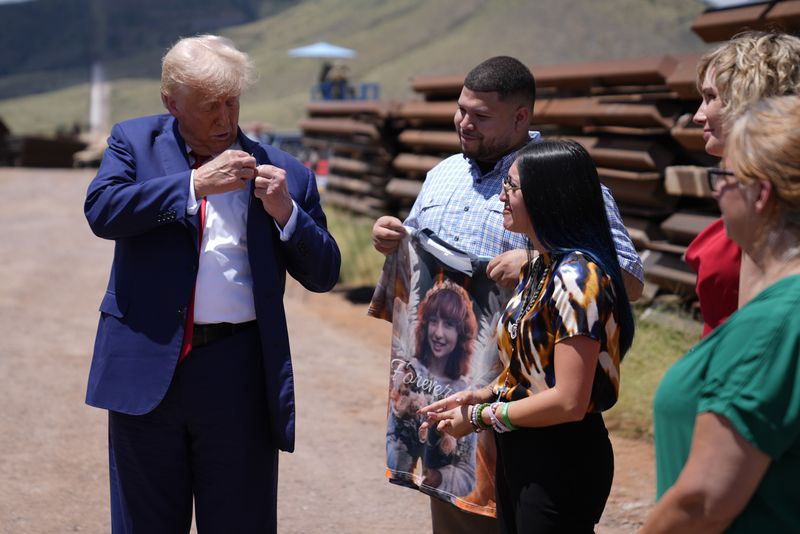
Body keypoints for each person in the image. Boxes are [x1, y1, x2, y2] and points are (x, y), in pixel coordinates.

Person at [372, 55, 643, 532]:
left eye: (480, 115)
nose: (464, 122)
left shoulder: (562, 180)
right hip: (452, 395)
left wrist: (541, 262)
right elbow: (416, 266)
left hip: (526, 406)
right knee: (451, 516)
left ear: (521, 117)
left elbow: (627, 282)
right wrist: (393, 240)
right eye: (461, 109)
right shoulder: (442, 175)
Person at [83, 35, 340, 533]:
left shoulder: (285, 172)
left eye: (232, 102)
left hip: (238, 372)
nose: (225, 119)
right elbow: (102, 211)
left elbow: (325, 272)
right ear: (170, 103)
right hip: (149, 365)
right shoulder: (134, 143)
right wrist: (193, 185)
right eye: (209, 107)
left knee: (241, 520)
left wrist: (286, 212)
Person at [421, 139, 635, 533]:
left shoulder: (577, 277)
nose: (501, 196)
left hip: (560, 458)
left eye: (512, 187)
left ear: (547, 198)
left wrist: (480, 417)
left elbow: (569, 400)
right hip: (523, 448)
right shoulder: (541, 266)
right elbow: (533, 371)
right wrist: (481, 394)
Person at [643, 96, 800, 533]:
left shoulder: (774, 324)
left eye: (724, 177)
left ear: (760, 193)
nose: (716, 190)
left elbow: (702, 502)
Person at [685, 31, 800, 336]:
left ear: (749, 98)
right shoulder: (742, 186)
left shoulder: (766, 200)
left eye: (711, 97)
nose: (698, 116)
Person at [387, 281, 479, 497]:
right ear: (424, 324)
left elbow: (468, 475)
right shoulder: (409, 373)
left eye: (448, 324)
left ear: (461, 334)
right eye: (433, 321)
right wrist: (402, 455)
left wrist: (440, 478)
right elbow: (392, 438)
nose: (438, 333)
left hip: (445, 500)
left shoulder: (465, 392)